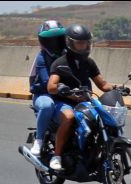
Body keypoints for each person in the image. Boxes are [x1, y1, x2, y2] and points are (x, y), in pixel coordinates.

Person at [46, 24, 114, 172]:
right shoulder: (61, 62)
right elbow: (51, 86)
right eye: (79, 43)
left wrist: (117, 89)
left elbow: (102, 84)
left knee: (103, 116)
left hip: (85, 101)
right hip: (64, 102)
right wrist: (62, 89)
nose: (83, 46)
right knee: (69, 118)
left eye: (85, 43)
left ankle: (96, 153)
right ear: (70, 43)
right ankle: (56, 156)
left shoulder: (89, 62)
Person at [29, 19, 67, 157]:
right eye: (50, 40)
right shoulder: (41, 57)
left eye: (57, 39)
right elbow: (47, 82)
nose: (54, 42)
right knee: (47, 106)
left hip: (64, 93)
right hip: (44, 94)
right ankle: (39, 140)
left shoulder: (68, 54)